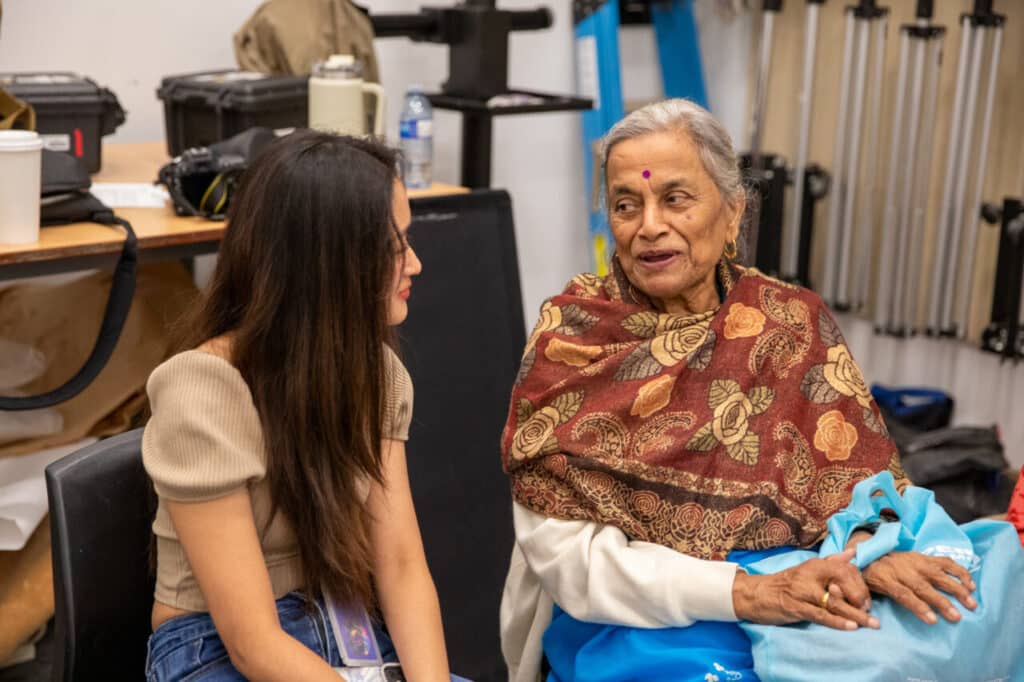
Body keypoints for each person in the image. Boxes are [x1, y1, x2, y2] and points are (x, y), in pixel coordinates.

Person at [499, 99, 978, 682]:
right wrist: (749, 592)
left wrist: (867, 556)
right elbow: (573, 566)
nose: (649, 225)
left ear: (732, 214)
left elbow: (860, 493)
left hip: (798, 613)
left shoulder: (789, 325)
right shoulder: (574, 342)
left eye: (675, 199)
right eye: (627, 205)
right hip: (624, 623)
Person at [141, 131, 451, 681]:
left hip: (345, 628)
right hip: (213, 652)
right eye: (393, 246)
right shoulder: (203, 390)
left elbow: (401, 567)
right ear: (327, 262)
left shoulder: (374, 371)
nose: (416, 264)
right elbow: (253, 645)